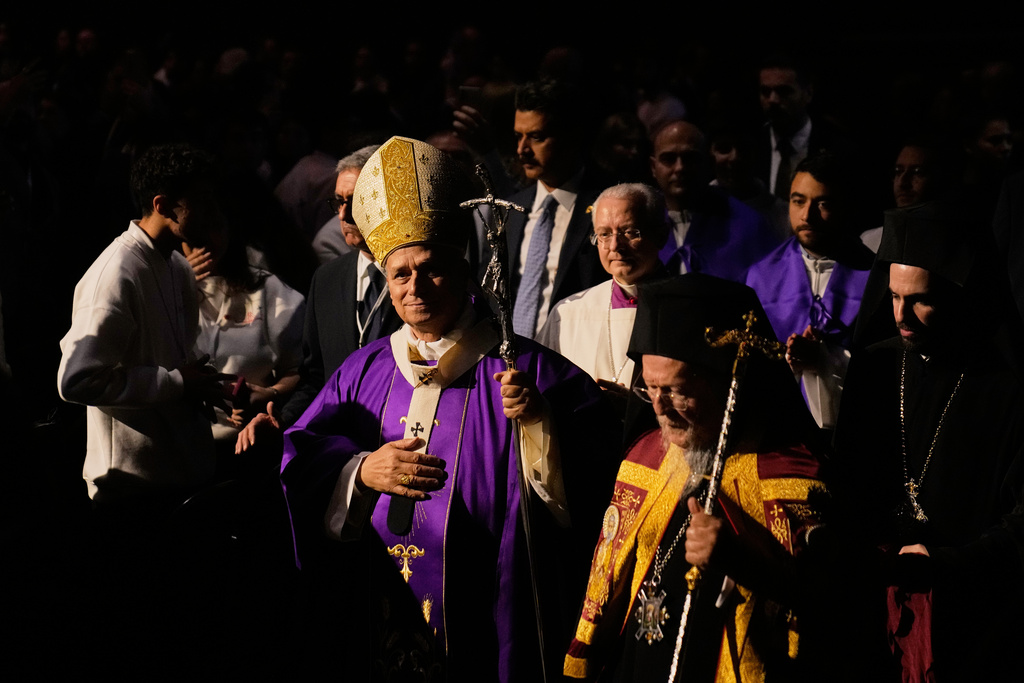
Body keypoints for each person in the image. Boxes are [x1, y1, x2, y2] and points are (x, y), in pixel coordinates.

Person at [280, 136, 616, 681]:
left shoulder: (528, 372)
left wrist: (538, 423)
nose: (417, 288)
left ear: (466, 270)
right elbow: (303, 458)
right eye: (401, 274)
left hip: (487, 613)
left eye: (433, 268)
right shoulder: (361, 373)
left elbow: (603, 473)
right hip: (380, 603)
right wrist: (361, 471)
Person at [564, 274, 826, 681]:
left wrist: (740, 557)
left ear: (726, 384)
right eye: (649, 388)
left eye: (676, 390)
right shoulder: (646, 457)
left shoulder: (792, 477)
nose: (660, 408)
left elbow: (827, 608)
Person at [832, 202, 1024, 680]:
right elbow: (847, 482)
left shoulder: (1008, 386)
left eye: (921, 299)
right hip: (873, 608)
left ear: (965, 294)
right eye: (894, 296)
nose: (902, 316)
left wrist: (947, 564)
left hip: (976, 616)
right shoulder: (876, 368)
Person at [58, 143, 231, 511]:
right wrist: (178, 383)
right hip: (132, 494)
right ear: (163, 206)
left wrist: (203, 385)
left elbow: (177, 359)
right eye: (202, 200)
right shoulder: (115, 274)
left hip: (179, 479)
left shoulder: (177, 266)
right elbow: (75, 380)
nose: (214, 213)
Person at [745, 153, 873, 430]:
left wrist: (826, 359)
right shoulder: (761, 275)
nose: (807, 215)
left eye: (823, 203)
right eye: (798, 201)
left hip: (851, 424)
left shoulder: (873, 275)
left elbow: (883, 369)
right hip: (778, 424)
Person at [183, 222, 305, 451]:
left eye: (213, 225)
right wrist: (179, 280)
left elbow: (300, 370)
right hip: (187, 444)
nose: (203, 242)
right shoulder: (168, 291)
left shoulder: (269, 290)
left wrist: (269, 393)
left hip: (251, 440)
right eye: (192, 234)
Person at [537, 183, 669, 393]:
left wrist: (634, 409)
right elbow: (543, 390)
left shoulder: (686, 309)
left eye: (629, 232)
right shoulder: (567, 313)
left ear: (662, 235)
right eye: (604, 234)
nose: (615, 246)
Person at [506, 79, 611, 339]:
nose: (522, 150)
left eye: (536, 137)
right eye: (518, 137)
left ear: (572, 136)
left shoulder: (608, 205)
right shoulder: (512, 209)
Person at [650, 120, 779, 282]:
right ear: (653, 167)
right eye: (669, 159)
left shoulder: (748, 226)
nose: (680, 168)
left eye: (690, 158)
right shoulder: (642, 225)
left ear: (708, 163)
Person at [310, 145, 378, 264]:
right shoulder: (324, 277)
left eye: (356, 202)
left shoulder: (416, 273)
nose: (342, 215)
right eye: (340, 201)